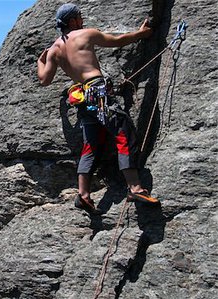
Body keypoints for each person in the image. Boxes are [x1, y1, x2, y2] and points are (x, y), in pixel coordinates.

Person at [37, 3, 160, 214]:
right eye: (79, 17)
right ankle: (135, 188)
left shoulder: (54, 50)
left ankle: (83, 195)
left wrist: (41, 61)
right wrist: (141, 34)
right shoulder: (86, 34)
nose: (82, 19)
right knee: (122, 131)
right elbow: (117, 41)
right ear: (73, 20)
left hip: (83, 98)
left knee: (91, 145)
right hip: (98, 90)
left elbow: (44, 80)